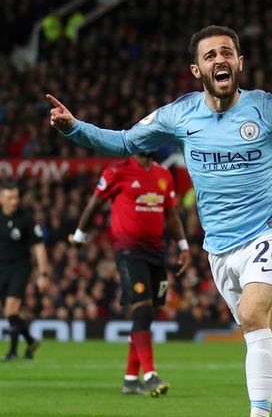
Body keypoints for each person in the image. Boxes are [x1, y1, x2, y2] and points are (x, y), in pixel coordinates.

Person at [47, 25, 272, 417]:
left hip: (268, 229)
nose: (219, 59)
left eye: (226, 52)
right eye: (210, 55)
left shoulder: (267, 107)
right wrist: (74, 128)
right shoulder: (179, 114)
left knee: (253, 315)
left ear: (240, 62)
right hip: (219, 246)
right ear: (196, 70)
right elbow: (124, 142)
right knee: (266, 333)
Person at [69, 152, 191, 397]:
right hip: (128, 251)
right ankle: (150, 375)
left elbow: (171, 214)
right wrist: (79, 236)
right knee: (142, 308)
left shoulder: (163, 174)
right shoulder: (117, 171)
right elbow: (94, 203)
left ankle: (130, 379)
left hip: (156, 253)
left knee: (148, 313)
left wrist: (183, 245)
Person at [0, 179, 51, 361]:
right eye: (10, 198)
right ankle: (31, 341)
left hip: (20, 267)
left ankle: (12, 352)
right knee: (11, 313)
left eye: (16, 197)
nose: (14, 201)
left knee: (11, 307)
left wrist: (43, 274)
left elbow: (39, 247)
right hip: (0, 268)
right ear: (1, 199)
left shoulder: (26, 218)